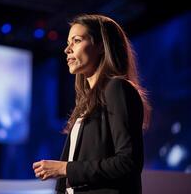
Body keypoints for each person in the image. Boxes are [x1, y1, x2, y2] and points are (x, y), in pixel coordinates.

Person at [32, 13, 151, 194]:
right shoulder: (87, 101)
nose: (67, 49)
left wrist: (65, 168)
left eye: (76, 41)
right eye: (68, 42)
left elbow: (128, 161)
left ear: (101, 47)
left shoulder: (117, 88)